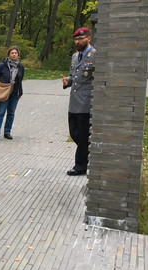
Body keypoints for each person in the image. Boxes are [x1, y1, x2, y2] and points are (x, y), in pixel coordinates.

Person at [60, 27, 95, 176]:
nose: (78, 41)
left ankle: (80, 166)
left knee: (82, 135)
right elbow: (73, 77)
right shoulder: (75, 57)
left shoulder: (95, 56)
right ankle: (89, 152)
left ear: (88, 38)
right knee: (74, 133)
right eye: (76, 39)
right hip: (74, 102)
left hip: (86, 103)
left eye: (80, 38)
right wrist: (67, 81)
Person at [0, 46, 25, 141]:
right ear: (8, 54)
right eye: (12, 53)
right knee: (1, 112)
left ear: (18, 55)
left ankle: (7, 132)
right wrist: (0, 86)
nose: (14, 54)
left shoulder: (20, 66)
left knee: (11, 113)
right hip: (4, 91)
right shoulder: (2, 65)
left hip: (15, 92)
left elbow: (20, 78)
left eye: (15, 53)